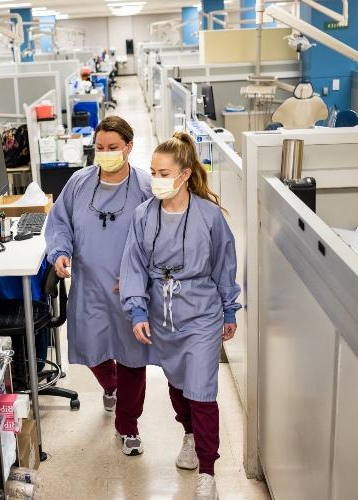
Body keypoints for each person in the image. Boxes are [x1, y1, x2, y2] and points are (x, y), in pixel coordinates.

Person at [119, 132, 241, 499]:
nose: (156, 179)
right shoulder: (144, 215)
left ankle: (208, 470)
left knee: (203, 391)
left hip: (202, 312)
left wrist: (229, 309)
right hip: (163, 314)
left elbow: (224, 265)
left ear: (185, 175)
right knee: (177, 383)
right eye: (153, 171)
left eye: (164, 172)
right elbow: (134, 266)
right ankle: (187, 433)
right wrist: (138, 308)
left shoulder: (209, 217)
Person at [44, 115, 156, 456]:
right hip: (90, 285)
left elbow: (159, 235)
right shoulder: (79, 183)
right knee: (91, 348)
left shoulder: (145, 186)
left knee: (133, 357)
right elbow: (59, 221)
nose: (105, 153)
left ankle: (128, 426)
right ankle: (111, 385)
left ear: (129, 148)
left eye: (113, 147)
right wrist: (60, 252)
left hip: (130, 287)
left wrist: (145, 277)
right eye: (100, 147)